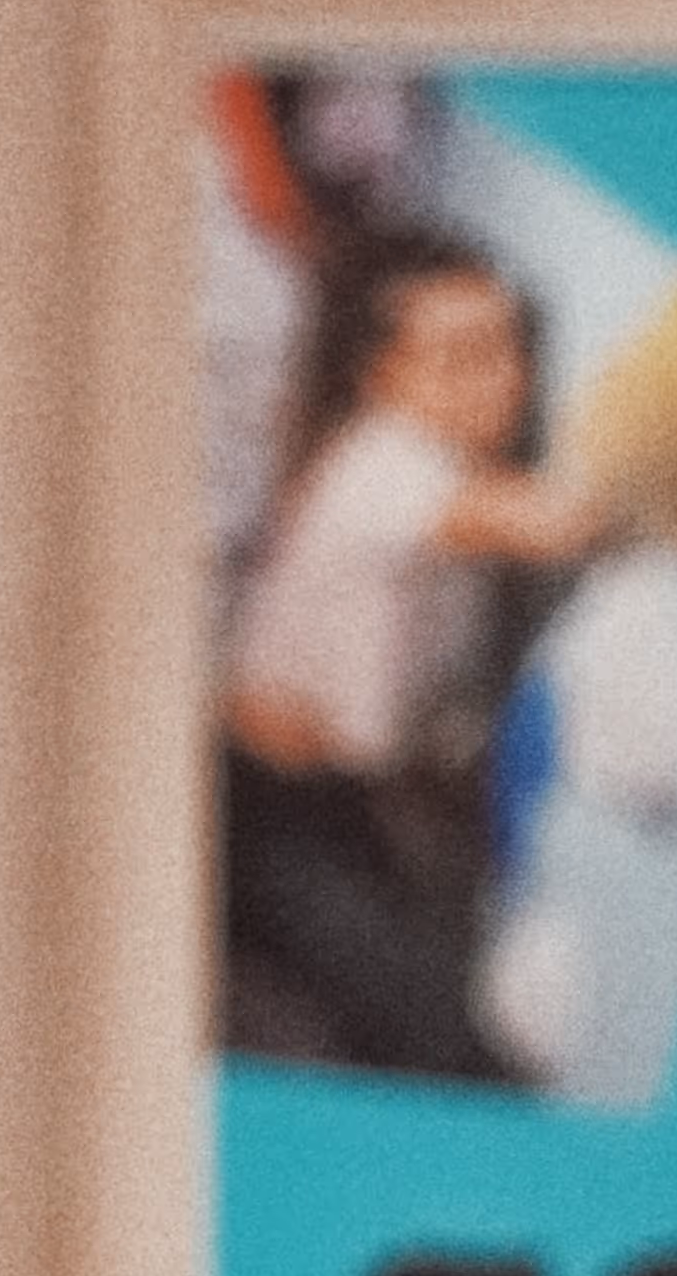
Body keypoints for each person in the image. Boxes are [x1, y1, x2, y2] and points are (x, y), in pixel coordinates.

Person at [218, 239, 619, 1080]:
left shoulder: (437, 465)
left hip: (344, 807)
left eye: (510, 346)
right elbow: (553, 523)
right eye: (464, 356)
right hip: (266, 817)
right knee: (445, 1045)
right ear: (381, 377)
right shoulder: (381, 466)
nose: (503, 376)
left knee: (449, 1024)